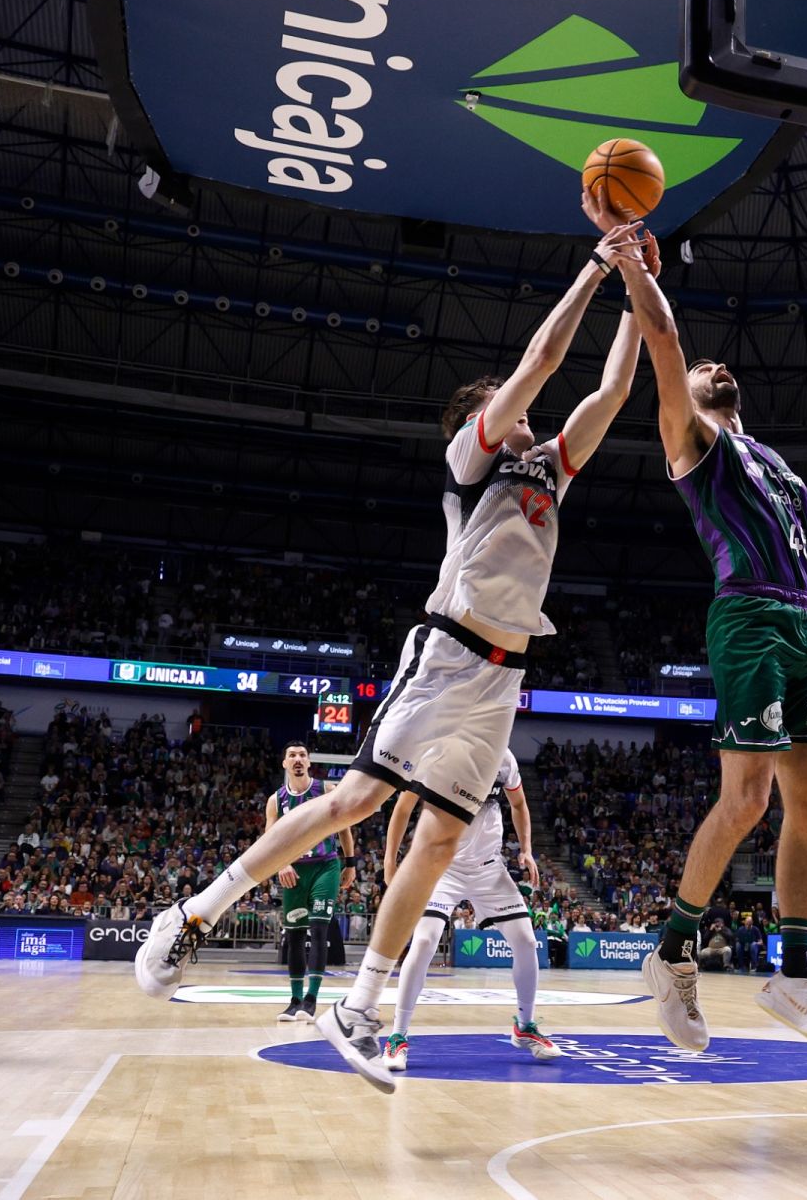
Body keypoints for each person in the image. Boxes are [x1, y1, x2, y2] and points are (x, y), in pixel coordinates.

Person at [133, 206, 649, 1095]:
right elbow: (543, 365)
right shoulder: (469, 458)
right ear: (480, 416)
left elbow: (607, 396)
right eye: (502, 402)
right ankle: (194, 911)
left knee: (444, 836)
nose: (517, 408)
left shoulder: (548, 470)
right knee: (354, 801)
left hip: (503, 679)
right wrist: (598, 270)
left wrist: (642, 286)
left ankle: (358, 1007)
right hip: (447, 652)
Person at [615, 213, 807, 1059]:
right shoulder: (692, 443)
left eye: (718, 365)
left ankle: (797, 972)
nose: (716, 365)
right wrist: (634, 268)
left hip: (804, 624)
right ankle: (672, 952)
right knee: (749, 800)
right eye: (706, 367)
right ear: (688, 397)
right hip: (746, 617)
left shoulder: (780, 466)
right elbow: (663, 337)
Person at [381, 748, 560, 1071]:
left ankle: (525, 1025)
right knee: (422, 943)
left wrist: (527, 850)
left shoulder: (504, 758)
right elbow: (403, 807)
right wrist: (389, 862)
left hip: (489, 869)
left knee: (526, 941)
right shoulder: (437, 752)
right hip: (441, 866)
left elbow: (519, 804)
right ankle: (397, 1037)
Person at [263, 742, 356, 1023]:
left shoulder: (326, 790)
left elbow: (344, 827)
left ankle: (311, 1000)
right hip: (294, 871)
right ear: (285, 764)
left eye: (302, 755)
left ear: (308, 762)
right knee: (294, 936)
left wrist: (350, 863)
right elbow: (270, 840)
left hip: (325, 866)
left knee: (318, 929)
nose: (298, 759)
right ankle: (294, 1000)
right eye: (292, 755)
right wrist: (282, 864)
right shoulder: (275, 801)